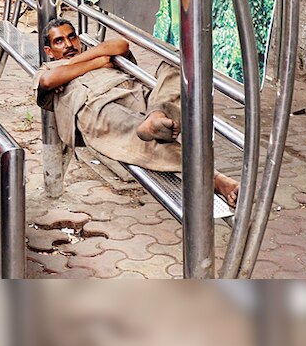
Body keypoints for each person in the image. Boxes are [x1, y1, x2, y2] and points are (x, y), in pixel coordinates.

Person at [35, 17, 240, 207]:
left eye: (71, 37)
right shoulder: (47, 69)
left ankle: (158, 115)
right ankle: (215, 179)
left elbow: (121, 45)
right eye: (59, 41)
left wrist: (75, 63)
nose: (69, 45)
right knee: (142, 138)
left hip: (137, 92)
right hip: (98, 107)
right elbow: (49, 80)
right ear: (49, 51)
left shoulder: (92, 51)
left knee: (178, 62)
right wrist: (98, 62)